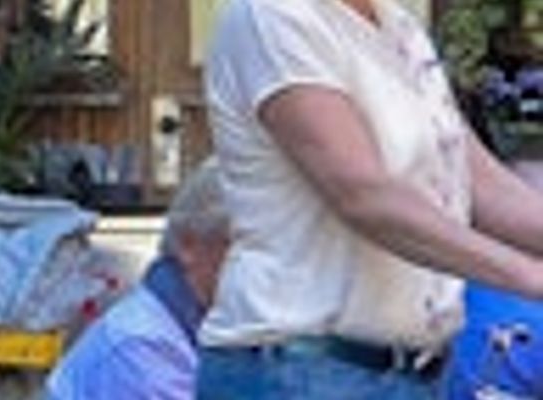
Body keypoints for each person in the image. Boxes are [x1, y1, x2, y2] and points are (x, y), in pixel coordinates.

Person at [195, 0, 543, 397]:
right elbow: (363, 195)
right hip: (302, 369)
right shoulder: (274, 16)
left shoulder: (400, 25)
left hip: (411, 372)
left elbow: (476, 181)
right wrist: (530, 277)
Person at [41, 165, 229, 400]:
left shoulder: (207, 326)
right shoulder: (141, 348)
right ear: (188, 245)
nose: (265, 267)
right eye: (246, 246)